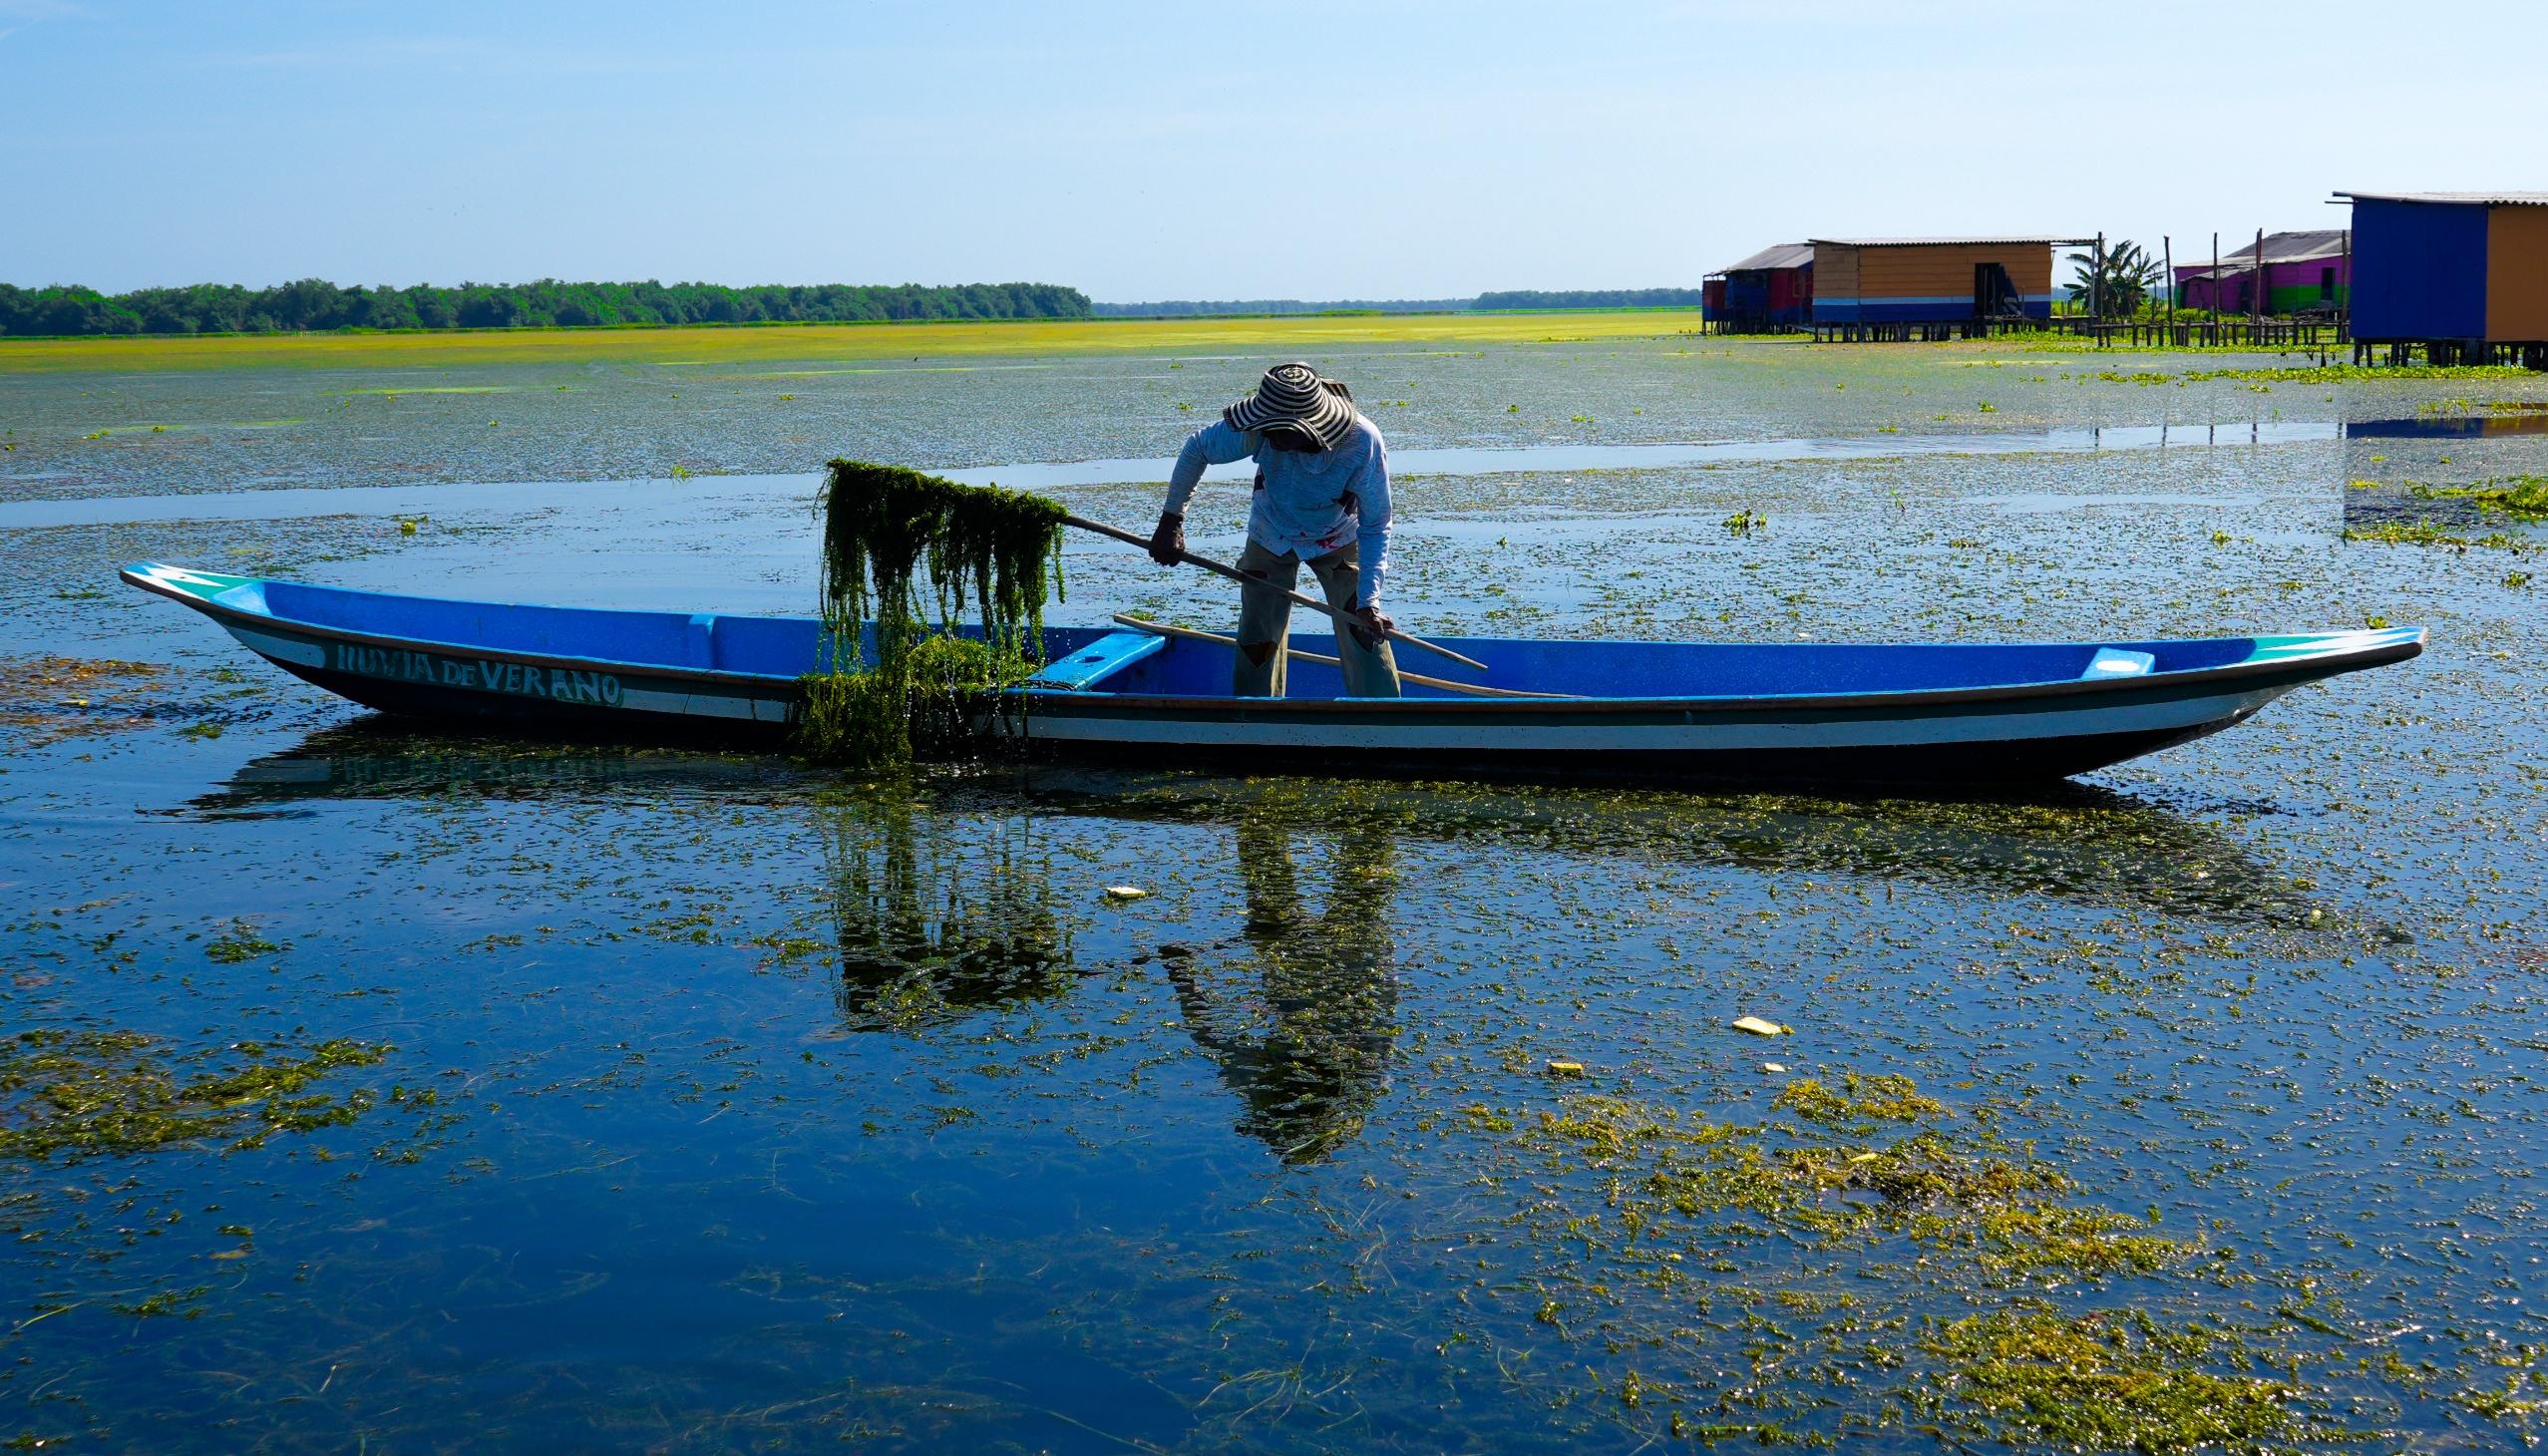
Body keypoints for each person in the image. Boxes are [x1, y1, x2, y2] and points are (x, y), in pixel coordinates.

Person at [1150, 362, 1401, 698]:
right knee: (1258, 636)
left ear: (1311, 427)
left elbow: (1376, 522)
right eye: (1266, 428)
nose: (1269, 436)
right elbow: (1198, 448)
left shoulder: (1361, 442)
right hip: (1272, 534)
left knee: (1364, 629)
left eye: (1281, 431)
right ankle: (1256, 717)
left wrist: (1370, 600)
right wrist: (1171, 520)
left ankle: (1381, 716)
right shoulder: (1259, 428)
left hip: (1339, 537)